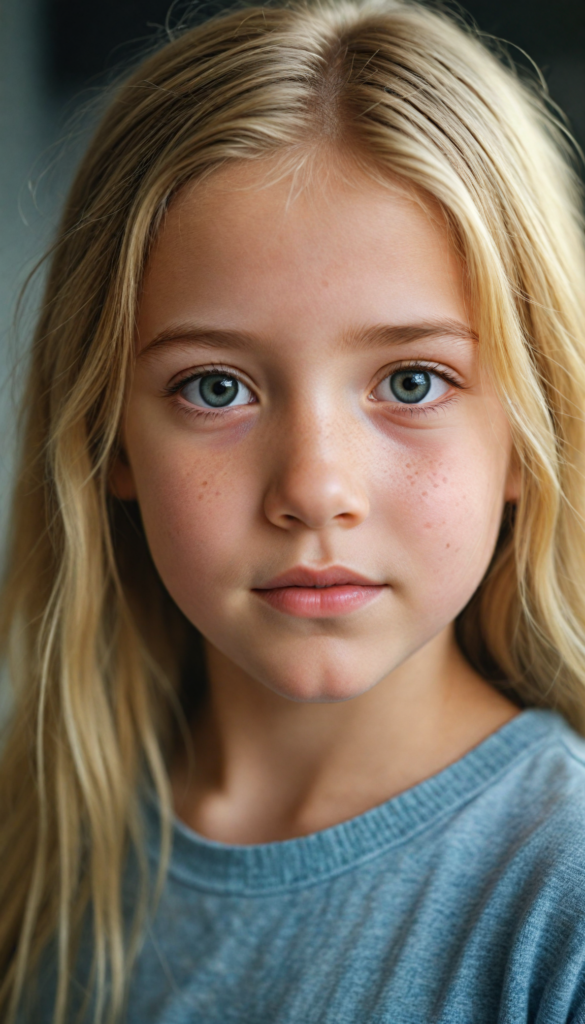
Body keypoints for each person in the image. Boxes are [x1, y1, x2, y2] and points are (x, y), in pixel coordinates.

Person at [2, 0, 585, 1020]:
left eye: (411, 382)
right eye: (215, 387)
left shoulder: (559, 894)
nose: (314, 488)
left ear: (530, 434)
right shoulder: (31, 846)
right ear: (107, 438)